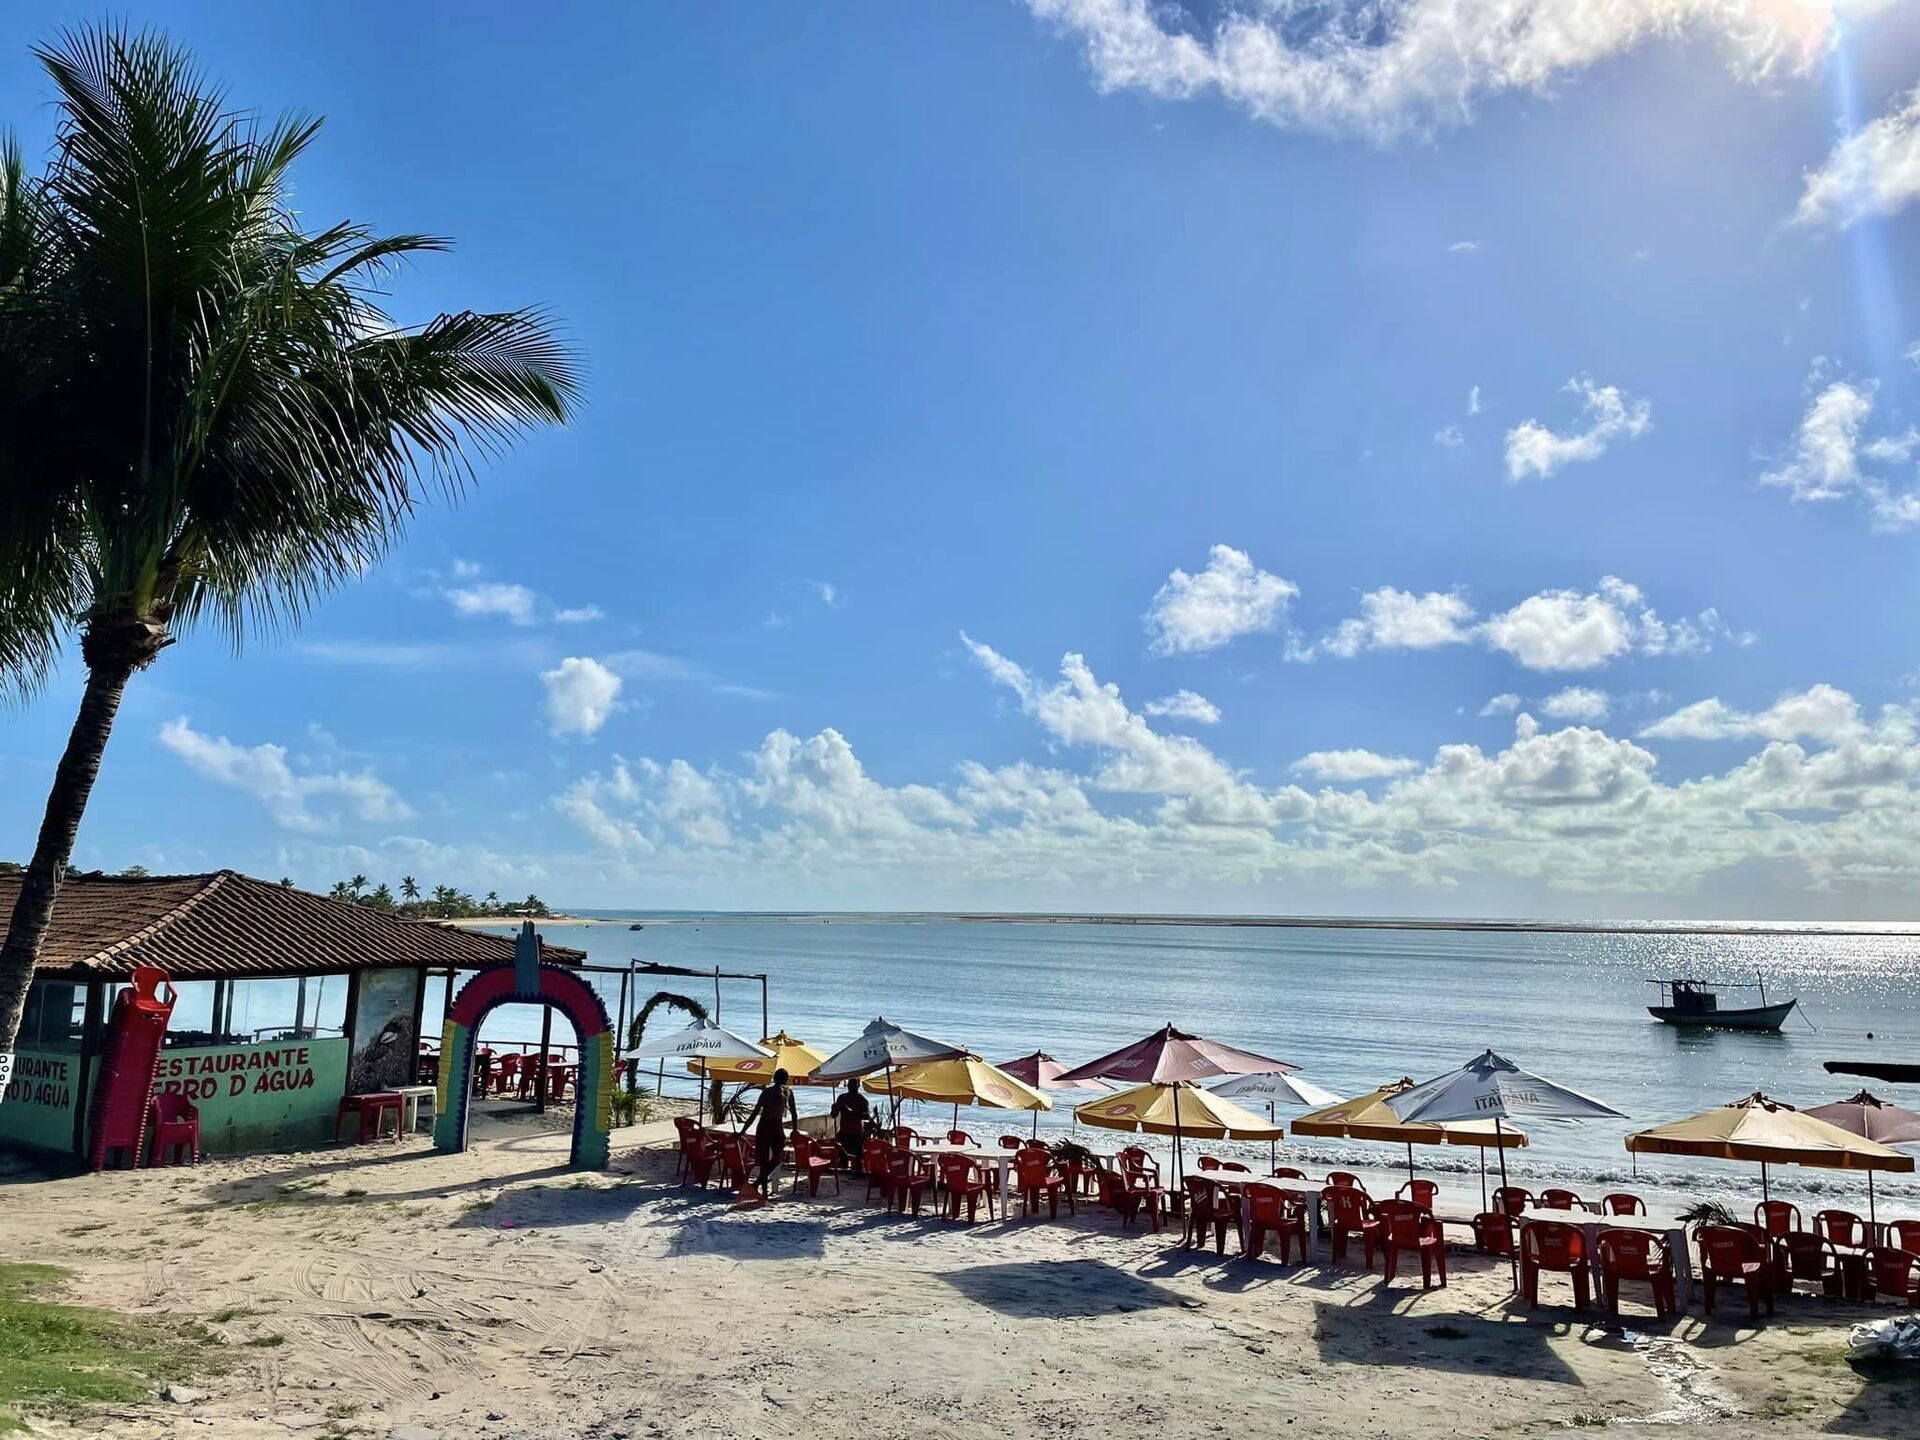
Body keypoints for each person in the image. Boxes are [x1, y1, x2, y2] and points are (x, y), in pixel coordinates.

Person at [741, 1067, 799, 1192]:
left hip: (769, 1125)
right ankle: (762, 1187)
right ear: (785, 1079)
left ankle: (758, 1182)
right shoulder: (783, 1091)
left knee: (770, 1158)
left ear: (774, 1078)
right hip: (770, 1125)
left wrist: (743, 1130)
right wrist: (794, 1129)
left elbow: (755, 1112)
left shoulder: (775, 1092)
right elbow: (794, 1113)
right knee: (770, 1158)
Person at [830, 1076, 871, 1169]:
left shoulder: (862, 1100)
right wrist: (834, 1108)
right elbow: (833, 1115)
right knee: (841, 1155)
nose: (851, 1087)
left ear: (858, 1085)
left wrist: (852, 1113)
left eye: (853, 1085)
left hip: (856, 1133)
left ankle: (858, 1172)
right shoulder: (842, 1098)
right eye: (850, 1084)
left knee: (858, 1158)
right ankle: (843, 1171)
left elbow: (867, 1116)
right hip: (844, 1131)